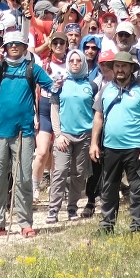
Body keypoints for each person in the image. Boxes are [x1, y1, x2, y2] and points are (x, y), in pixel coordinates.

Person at [0, 30, 50, 238]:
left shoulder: (32, 69)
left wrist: (58, 85)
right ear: (5, 48)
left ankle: (25, 223)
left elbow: (50, 86)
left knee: (23, 179)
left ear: (25, 47)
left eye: (18, 44)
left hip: (23, 133)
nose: (14, 47)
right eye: (10, 44)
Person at [91, 51, 140, 234]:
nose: (119, 69)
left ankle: (137, 226)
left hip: (135, 147)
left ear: (131, 68)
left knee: (137, 188)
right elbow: (98, 117)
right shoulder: (105, 90)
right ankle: (107, 225)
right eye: (117, 66)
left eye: (124, 66)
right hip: (110, 147)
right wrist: (94, 143)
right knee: (109, 187)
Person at [48, 48, 97, 223]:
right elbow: (54, 110)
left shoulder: (91, 85)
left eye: (78, 61)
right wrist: (58, 134)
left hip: (84, 136)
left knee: (78, 174)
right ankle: (53, 209)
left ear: (83, 63)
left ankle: (72, 208)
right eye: (71, 61)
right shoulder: (59, 84)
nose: (75, 64)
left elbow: (96, 112)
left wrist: (94, 138)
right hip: (64, 136)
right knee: (60, 172)